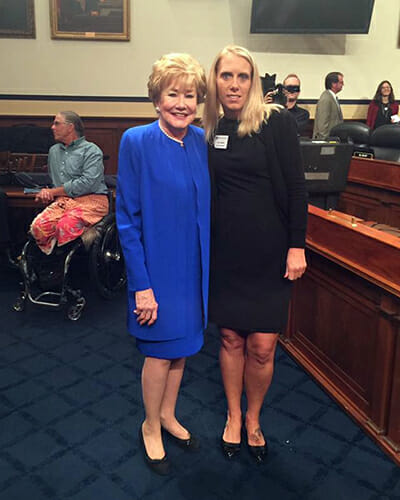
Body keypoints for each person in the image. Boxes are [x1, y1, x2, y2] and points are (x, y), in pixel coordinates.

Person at [203, 46, 307, 463]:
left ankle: (254, 419)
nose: (234, 84)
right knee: (230, 337)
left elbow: (298, 188)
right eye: (226, 76)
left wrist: (297, 245)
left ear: (254, 81)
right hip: (226, 253)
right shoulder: (208, 128)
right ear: (215, 81)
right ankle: (232, 416)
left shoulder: (275, 122)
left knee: (263, 344)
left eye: (242, 76)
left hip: (270, 252)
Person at [116, 54, 209, 475]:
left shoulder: (199, 140)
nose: (181, 103)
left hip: (193, 270)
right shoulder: (136, 140)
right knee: (158, 354)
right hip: (157, 270)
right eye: (173, 93)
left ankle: (170, 415)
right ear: (156, 97)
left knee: (183, 350)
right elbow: (127, 218)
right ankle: (151, 425)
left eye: (190, 95)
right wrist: (142, 286)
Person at [30, 111, 109, 255]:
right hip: (63, 201)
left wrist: (54, 192)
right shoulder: (54, 151)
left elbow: (88, 183)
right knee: (38, 226)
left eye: (57, 123)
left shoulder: (91, 150)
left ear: (70, 127)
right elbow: (54, 182)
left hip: (92, 200)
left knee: (65, 226)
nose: (52, 127)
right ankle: (51, 263)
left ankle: (67, 264)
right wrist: (48, 193)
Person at [313, 72, 344, 140]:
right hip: (325, 142)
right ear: (333, 84)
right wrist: (325, 142)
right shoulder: (326, 99)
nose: (343, 84)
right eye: (341, 82)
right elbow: (322, 125)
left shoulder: (332, 98)